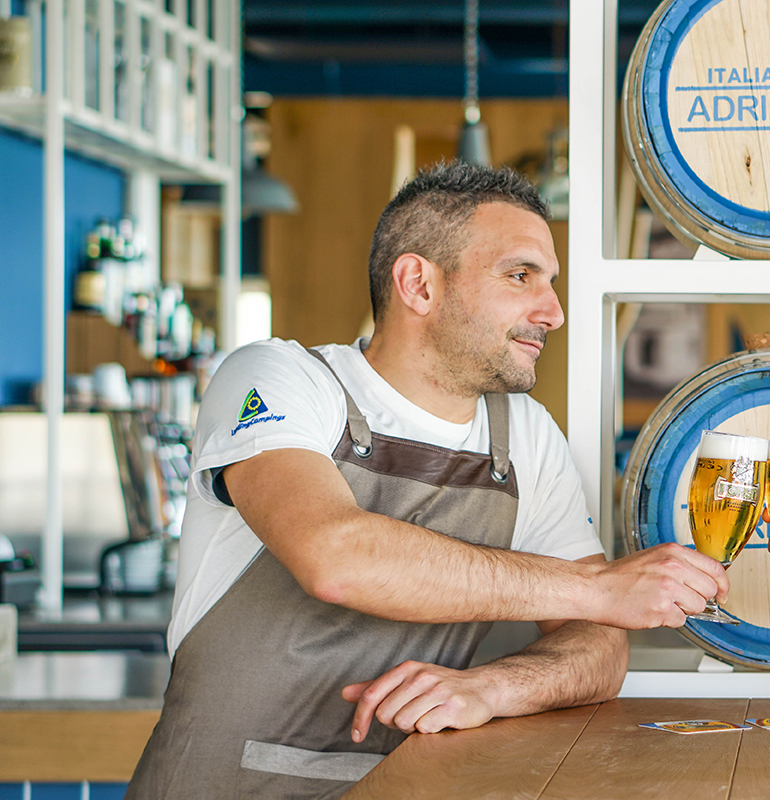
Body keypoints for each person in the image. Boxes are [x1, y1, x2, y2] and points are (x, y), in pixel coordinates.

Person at [127, 162, 728, 799]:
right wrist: (595, 587)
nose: (552, 311)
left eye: (550, 282)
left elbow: (600, 649)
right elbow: (336, 556)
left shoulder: (525, 434)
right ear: (419, 284)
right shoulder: (279, 378)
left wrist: (493, 687)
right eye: (520, 276)